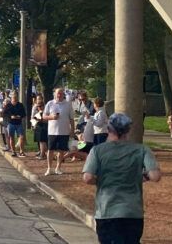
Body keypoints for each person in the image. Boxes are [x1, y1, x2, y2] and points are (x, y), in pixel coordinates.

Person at [82, 113, 161, 244]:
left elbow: (88, 177)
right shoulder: (141, 150)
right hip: (133, 211)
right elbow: (155, 176)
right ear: (128, 130)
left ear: (108, 129)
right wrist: (142, 177)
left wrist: (100, 181)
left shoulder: (97, 151)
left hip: (107, 210)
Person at [44, 88, 75, 176]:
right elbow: (44, 116)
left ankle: (58, 167)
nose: (59, 95)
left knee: (61, 151)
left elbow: (72, 119)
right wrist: (52, 117)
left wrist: (72, 130)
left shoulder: (68, 105)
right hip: (52, 131)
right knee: (50, 150)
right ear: (55, 94)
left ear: (64, 94)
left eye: (61, 93)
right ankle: (49, 168)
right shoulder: (50, 103)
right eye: (58, 93)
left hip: (64, 131)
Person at [4, 91, 27, 157]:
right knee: (11, 137)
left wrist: (20, 116)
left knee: (21, 137)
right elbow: (4, 113)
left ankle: (21, 151)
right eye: (13, 98)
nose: (14, 100)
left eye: (16, 98)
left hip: (18, 123)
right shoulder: (8, 105)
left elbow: (24, 114)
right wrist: (11, 116)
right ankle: (13, 151)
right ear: (11, 98)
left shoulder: (20, 105)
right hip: (11, 123)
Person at [31, 93, 48, 160]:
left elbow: (46, 120)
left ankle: (43, 154)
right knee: (40, 141)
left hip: (44, 127)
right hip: (38, 126)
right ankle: (41, 153)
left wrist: (40, 120)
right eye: (38, 106)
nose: (39, 107)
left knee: (43, 141)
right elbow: (33, 117)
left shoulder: (45, 112)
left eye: (40, 106)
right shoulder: (38, 111)